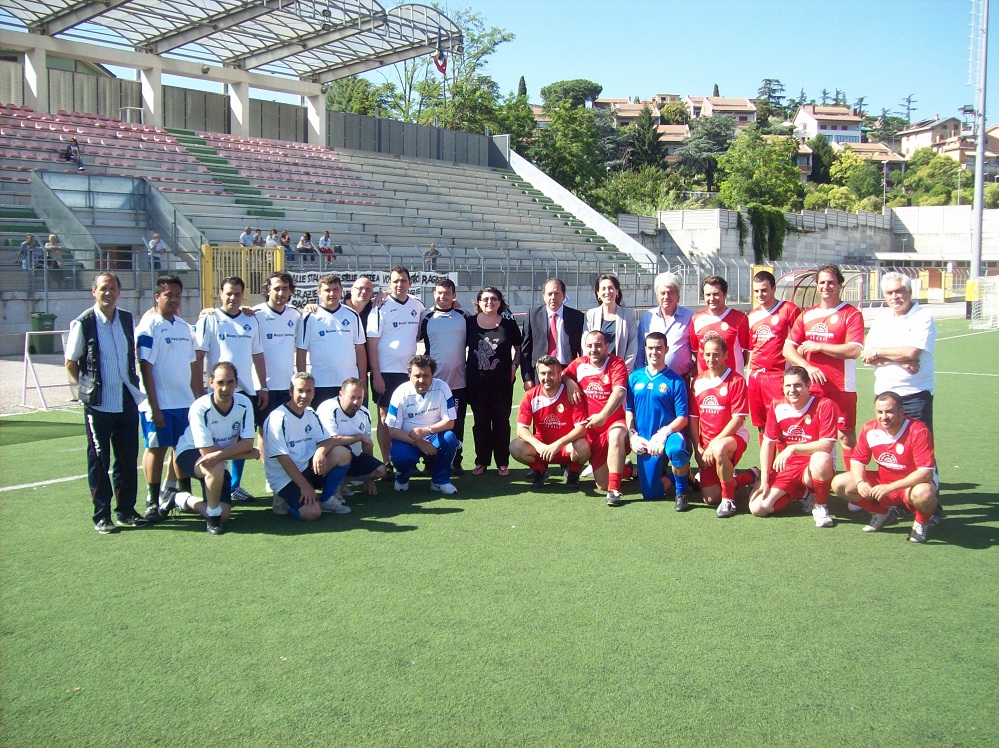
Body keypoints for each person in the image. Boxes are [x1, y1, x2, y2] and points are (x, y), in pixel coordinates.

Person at [65, 272, 147, 533]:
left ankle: (126, 510)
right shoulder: (84, 323)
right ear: (94, 292)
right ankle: (102, 515)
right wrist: (85, 389)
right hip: (98, 404)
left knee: (126, 458)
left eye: (112, 288)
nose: (108, 293)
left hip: (125, 399)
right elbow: (71, 361)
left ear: (119, 292)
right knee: (99, 460)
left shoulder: (125, 319)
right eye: (103, 288)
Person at [195, 276, 267, 502]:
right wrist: (198, 389)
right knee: (218, 439)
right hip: (217, 392)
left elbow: (257, 354)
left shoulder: (251, 320)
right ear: (220, 293)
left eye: (237, 293)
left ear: (242, 295)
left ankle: (234, 485)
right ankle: (218, 483)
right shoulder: (210, 319)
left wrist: (263, 386)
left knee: (240, 439)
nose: (233, 297)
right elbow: (198, 356)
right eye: (229, 293)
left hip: (245, 390)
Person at [831, 391, 939, 543]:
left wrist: (890, 488)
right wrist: (861, 482)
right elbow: (857, 461)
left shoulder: (918, 431)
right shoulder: (870, 428)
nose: (883, 417)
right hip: (884, 481)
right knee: (839, 483)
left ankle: (921, 522)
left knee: (924, 493)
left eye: (889, 412)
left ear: (901, 412)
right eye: (879, 412)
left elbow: (925, 473)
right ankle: (882, 513)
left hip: (911, 485)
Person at [783, 265, 864, 467]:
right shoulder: (807, 315)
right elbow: (788, 349)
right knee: (812, 434)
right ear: (817, 286)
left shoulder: (851, 314)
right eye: (822, 282)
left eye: (830, 282)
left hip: (841, 386)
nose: (826, 286)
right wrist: (807, 367)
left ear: (839, 285)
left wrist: (818, 346)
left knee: (845, 436)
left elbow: (853, 350)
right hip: (812, 387)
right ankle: (815, 484)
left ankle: (852, 483)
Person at [134, 274, 200, 521]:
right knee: (156, 449)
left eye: (177, 295)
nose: (173, 300)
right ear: (157, 297)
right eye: (168, 295)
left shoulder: (184, 327)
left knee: (182, 450)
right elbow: (145, 368)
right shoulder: (148, 326)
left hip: (184, 403)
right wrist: (155, 406)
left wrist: (196, 402)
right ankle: (152, 500)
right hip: (160, 404)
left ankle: (182, 494)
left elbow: (193, 368)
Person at [169, 362, 260, 534]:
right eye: (220, 382)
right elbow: (207, 452)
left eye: (229, 382)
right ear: (211, 382)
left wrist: (242, 451)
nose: (225, 388)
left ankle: (178, 497)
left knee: (225, 513)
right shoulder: (200, 407)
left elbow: (248, 442)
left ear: (236, 383)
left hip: (217, 458)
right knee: (216, 465)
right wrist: (243, 455)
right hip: (189, 452)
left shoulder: (244, 403)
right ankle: (213, 518)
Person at [749, 366, 837, 527]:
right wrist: (765, 480)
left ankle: (820, 505)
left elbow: (826, 445)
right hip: (787, 467)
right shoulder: (777, 405)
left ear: (808, 385)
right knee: (758, 508)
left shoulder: (825, 405)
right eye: (788, 386)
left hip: (812, 465)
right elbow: (768, 443)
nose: (792, 390)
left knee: (821, 458)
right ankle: (802, 494)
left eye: (797, 385)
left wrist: (793, 448)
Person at [263, 372, 353, 520]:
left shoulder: (310, 413)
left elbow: (328, 440)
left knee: (342, 453)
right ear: (291, 391)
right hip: (285, 476)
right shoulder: (277, 418)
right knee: (312, 513)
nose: (304, 395)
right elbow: (283, 458)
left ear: (314, 393)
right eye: (300, 390)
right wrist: (304, 486)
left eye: (308, 391)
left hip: (306, 467)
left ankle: (325, 500)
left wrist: (320, 452)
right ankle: (283, 498)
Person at [689, 337, 759, 517]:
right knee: (711, 498)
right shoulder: (697, 381)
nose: (711, 359)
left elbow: (737, 420)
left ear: (726, 355)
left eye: (716, 355)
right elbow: (694, 419)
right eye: (707, 355)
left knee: (720, 449)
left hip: (732, 439)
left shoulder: (736, 380)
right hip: (707, 445)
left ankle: (729, 501)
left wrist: (713, 444)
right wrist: (697, 448)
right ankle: (750, 476)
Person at [861, 272, 936, 433]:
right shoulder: (882, 319)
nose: (894, 296)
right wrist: (899, 360)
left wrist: (879, 352)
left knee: (920, 450)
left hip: (914, 394)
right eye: (889, 293)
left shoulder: (923, 316)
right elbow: (867, 356)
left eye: (899, 291)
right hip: (884, 395)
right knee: (889, 450)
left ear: (909, 291)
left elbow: (911, 352)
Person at [626, 332, 693, 509]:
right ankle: (682, 475)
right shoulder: (635, 377)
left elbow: (683, 418)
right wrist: (632, 435)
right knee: (651, 494)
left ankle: (681, 493)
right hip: (645, 438)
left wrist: (664, 433)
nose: (654, 352)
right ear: (645, 349)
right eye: (650, 348)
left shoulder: (676, 381)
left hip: (669, 434)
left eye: (659, 348)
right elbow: (629, 410)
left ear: (666, 350)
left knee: (677, 450)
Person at [366, 266, 425, 466]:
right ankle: (387, 462)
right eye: (395, 281)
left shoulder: (417, 306)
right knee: (385, 417)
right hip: (385, 372)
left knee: (409, 416)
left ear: (410, 283)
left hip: (409, 373)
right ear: (389, 284)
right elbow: (372, 344)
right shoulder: (379, 307)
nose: (400, 284)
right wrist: (377, 375)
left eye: (403, 281)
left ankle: (406, 461)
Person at [564, 331, 630, 506]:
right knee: (602, 484)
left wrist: (603, 416)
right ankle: (628, 469)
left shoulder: (616, 363)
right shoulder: (579, 364)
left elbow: (619, 392)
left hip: (614, 423)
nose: (594, 349)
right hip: (592, 430)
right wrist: (569, 382)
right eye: (590, 346)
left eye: (598, 345)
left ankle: (615, 491)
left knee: (616, 435)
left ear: (607, 347)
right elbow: (563, 374)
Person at [510, 355, 591, 488]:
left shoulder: (571, 394)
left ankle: (573, 473)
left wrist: (558, 444)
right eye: (543, 373)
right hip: (542, 449)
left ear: (560, 374)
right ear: (538, 374)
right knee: (515, 446)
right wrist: (538, 445)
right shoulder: (530, 395)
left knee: (584, 446)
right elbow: (521, 429)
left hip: (566, 448)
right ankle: (540, 471)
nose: (546, 378)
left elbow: (582, 428)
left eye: (551, 373)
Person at [465, 286, 522, 476]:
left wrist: (514, 366)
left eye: (494, 299)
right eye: (485, 299)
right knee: (480, 422)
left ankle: (502, 462)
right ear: (479, 302)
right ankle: (481, 461)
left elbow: (519, 347)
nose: (490, 302)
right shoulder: (470, 323)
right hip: (476, 382)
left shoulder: (508, 323)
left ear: (500, 302)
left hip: (502, 383)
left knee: (501, 421)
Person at [384, 354, 460, 495]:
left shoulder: (442, 387)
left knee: (449, 439)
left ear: (433, 375)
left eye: (426, 376)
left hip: (432, 435)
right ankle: (402, 477)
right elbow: (393, 431)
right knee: (401, 457)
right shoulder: (399, 393)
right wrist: (418, 442)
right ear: (409, 375)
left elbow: (449, 422)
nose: (421, 380)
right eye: (417, 375)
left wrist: (427, 430)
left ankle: (440, 480)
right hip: (407, 438)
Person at [419, 278, 469, 475]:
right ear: (434, 294)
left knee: (457, 422)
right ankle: (430, 461)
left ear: (454, 295)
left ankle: (456, 460)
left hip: (458, 382)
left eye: (447, 293)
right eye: (439, 293)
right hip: (434, 383)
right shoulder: (426, 317)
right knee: (430, 421)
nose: (443, 297)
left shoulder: (463, 315)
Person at [296, 274, 367, 409]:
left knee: (349, 424)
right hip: (321, 383)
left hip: (349, 384)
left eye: (335, 289)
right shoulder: (309, 317)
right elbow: (301, 351)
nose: (332, 294)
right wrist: (303, 381)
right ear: (319, 293)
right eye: (327, 290)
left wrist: (362, 379)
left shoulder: (352, 315)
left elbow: (360, 349)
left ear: (341, 291)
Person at [746, 270, 800, 443]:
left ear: (773, 289)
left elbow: (799, 342)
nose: (760, 294)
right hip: (756, 377)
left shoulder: (789, 310)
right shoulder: (752, 315)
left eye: (764, 290)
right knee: (761, 425)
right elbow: (751, 348)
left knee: (781, 422)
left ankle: (784, 467)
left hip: (778, 376)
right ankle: (766, 468)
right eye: (756, 291)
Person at [315, 377, 388, 504]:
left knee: (380, 470)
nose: (356, 402)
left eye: (359, 398)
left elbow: (367, 445)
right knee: (341, 450)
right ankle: (333, 487)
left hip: (352, 458)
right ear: (341, 394)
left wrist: (368, 479)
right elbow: (331, 441)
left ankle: (343, 479)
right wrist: (359, 437)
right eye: (352, 397)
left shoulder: (364, 413)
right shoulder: (328, 408)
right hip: (326, 460)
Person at [252, 272, 302, 427]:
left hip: (287, 385)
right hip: (263, 386)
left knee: (286, 428)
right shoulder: (255, 314)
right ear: (268, 290)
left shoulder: (294, 314)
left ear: (290, 291)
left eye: (285, 289)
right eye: (277, 288)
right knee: (265, 428)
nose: (281, 293)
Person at [521, 278, 585, 388]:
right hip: (541, 371)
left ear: (564, 295)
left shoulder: (577, 317)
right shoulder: (533, 316)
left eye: (557, 293)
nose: (553, 297)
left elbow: (582, 349)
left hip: (567, 371)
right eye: (549, 294)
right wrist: (527, 378)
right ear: (544, 296)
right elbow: (525, 351)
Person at [635, 271, 694, 378]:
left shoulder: (690, 318)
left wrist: (695, 369)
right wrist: (640, 374)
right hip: (651, 379)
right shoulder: (648, 317)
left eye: (670, 292)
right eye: (662, 293)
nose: (666, 297)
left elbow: (698, 350)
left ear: (678, 294)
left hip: (680, 380)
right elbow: (640, 349)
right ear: (657, 296)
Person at [689, 275, 749, 375]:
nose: (712, 298)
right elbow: (696, 350)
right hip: (705, 380)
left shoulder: (740, 318)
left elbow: (747, 352)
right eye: (708, 295)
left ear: (724, 295)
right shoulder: (696, 318)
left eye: (716, 294)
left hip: (732, 380)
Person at [583, 274, 639, 371]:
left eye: (610, 288)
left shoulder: (628, 315)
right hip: (597, 371)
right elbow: (585, 345)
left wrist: (623, 371)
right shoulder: (590, 315)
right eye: (603, 289)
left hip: (621, 371)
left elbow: (632, 347)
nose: (607, 292)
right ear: (598, 294)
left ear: (617, 291)